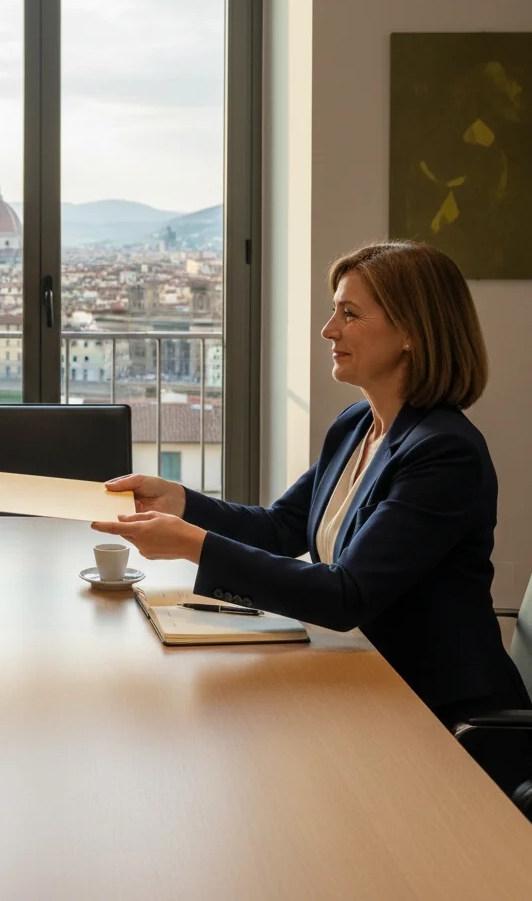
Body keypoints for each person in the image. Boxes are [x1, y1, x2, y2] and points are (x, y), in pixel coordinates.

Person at [94, 241, 531, 796]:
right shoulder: (357, 424)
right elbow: (282, 529)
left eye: (349, 313)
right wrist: (180, 501)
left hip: (441, 723)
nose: (329, 329)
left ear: (411, 332)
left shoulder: (444, 453)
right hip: (368, 686)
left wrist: (193, 544)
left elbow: (344, 595)